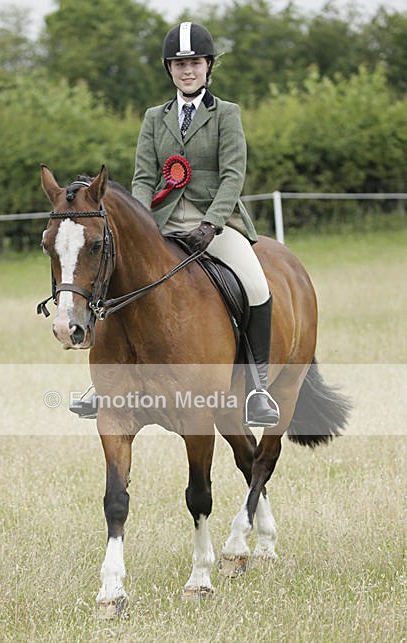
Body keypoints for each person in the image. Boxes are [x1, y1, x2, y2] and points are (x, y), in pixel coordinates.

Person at [72, 21, 279, 427]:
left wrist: (213, 224)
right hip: (161, 224)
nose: (188, 70)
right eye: (180, 64)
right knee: (113, 276)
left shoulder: (227, 115)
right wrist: (143, 223)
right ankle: (105, 384)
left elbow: (232, 175)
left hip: (214, 224)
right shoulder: (154, 118)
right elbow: (144, 177)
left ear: (208, 67)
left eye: (196, 63)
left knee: (255, 285)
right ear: (169, 69)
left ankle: (258, 388)